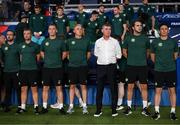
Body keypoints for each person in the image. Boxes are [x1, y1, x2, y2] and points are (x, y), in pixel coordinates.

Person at [122, 20, 150, 116]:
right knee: (130, 87)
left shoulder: (145, 39)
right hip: (131, 66)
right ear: (133, 27)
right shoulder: (128, 38)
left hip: (143, 66)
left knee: (144, 87)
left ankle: (145, 108)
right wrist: (131, 59)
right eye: (137, 25)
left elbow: (148, 52)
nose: (139, 27)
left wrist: (142, 60)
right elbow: (124, 51)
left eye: (140, 25)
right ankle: (128, 107)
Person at [151, 23, 178, 120]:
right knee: (158, 91)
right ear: (159, 31)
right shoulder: (155, 42)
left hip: (171, 70)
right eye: (162, 29)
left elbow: (175, 56)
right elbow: (152, 57)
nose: (164, 30)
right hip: (159, 70)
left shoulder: (173, 42)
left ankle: (173, 112)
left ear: (168, 30)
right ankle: (157, 112)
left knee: (172, 91)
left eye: (166, 29)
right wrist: (160, 64)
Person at [94, 23, 121, 117]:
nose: (108, 30)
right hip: (100, 67)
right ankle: (98, 110)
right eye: (106, 29)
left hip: (111, 67)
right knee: (99, 89)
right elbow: (96, 54)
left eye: (109, 29)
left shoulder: (115, 41)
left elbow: (118, 55)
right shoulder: (98, 42)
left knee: (113, 89)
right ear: (102, 30)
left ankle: (114, 110)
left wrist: (111, 61)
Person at [40, 24, 66, 114]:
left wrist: (58, 61)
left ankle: (61, 107)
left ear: (56, 30)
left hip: (57, 68)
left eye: (53, 29)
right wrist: (47, 60)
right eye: (50, 29)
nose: (51, 30)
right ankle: (44, 107)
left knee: (59, 88)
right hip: (47, 68)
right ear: (48, 31)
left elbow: (64, 53)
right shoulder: (44, 41)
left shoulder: (60, 41)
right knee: (45, 87)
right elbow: (42, 52)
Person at [66, 24, 91, 114]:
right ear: (74, 31)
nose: (79, 30)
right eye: (77, 29)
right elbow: (67, 54)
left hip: (83, 66)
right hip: (72, 66)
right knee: (72, 86)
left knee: (83, 86)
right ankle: (71, 106)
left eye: (81, 29)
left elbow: (88, 54)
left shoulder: (86, 41)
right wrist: (72, 60)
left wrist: (83, 61)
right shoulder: (69, 41)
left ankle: (84, 106)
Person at [16, 28, 40, 115]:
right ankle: (23, 107)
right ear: (23, 35)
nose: (26, 35)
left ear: (31, 35)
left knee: (34, 89)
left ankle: (36, 107)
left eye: (28, 33)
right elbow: (20, 58)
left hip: (33, 70)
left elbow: (38, 58)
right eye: (25, 33)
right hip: (23, 70)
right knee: (23, 89)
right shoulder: (20, 45)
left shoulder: (36, 45)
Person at [0, 30, 21, 112]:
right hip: (6, 71)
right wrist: (3, 64)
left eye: (10, 35)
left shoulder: (17, 46)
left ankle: (20, 106)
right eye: (7, 35)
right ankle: (7, 106)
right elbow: (1, 58)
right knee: (7, 89)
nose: (8, 36)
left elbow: (21, 58)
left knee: (17, 89)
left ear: (14, 36)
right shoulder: (3, 47)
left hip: (16, 70)